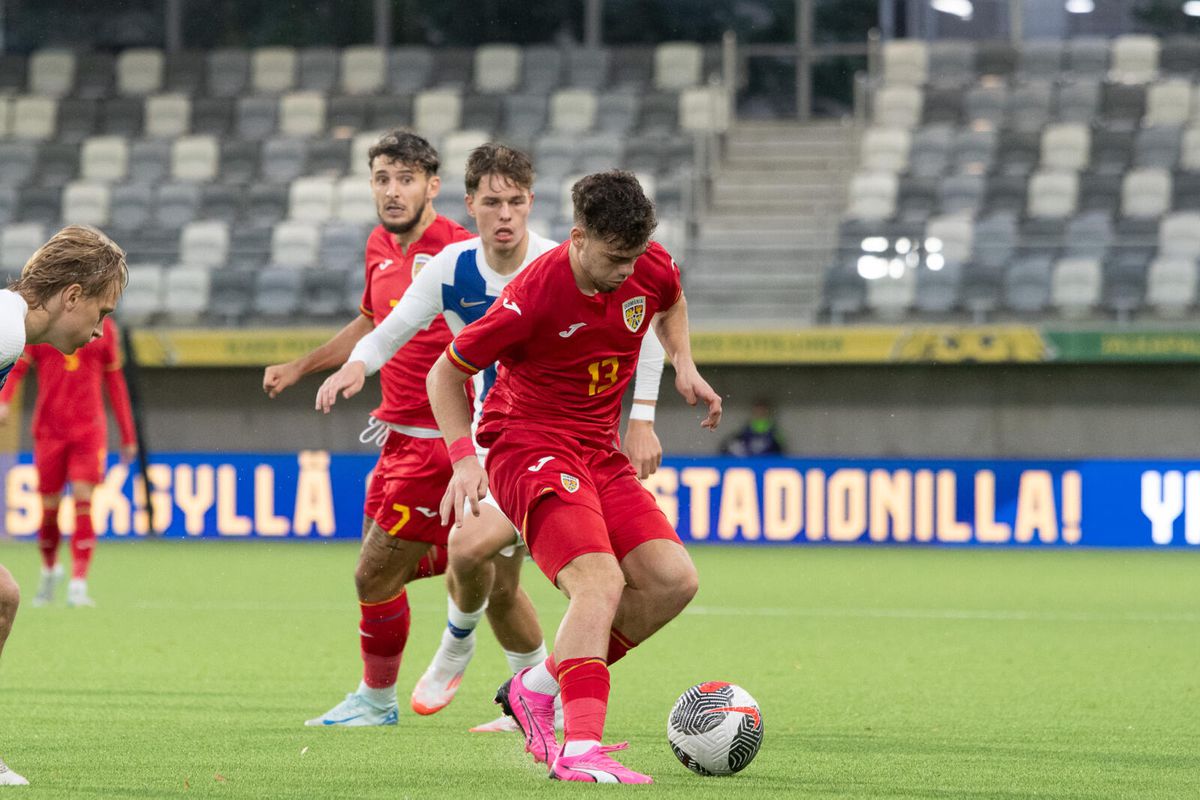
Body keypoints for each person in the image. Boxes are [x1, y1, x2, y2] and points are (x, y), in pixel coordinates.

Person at [315, 144, 667, 730]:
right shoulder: (451, 268)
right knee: (502, 586)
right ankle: (531, 693)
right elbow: (394, 329)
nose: (504, 214)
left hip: (560, 442)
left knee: (470, 549)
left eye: (515, 201)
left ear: (531, 204)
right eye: (491, 202)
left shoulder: (570, 262)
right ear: (469, 205)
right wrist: (356, 364)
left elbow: (643, 323)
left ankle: (465, 649)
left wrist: (643, 417)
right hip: (492, 435)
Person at [426, 171, 722, 783]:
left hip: (595, 448)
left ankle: (535, 686)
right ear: (579, 236)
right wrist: (462, 457)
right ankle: (580, 749)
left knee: (673, 581)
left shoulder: (646, 263)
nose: (625, 272)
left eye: (635, 257)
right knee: (600, 582)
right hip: (526, 445)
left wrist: (683, 364)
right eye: (614, 259)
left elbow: (670, 300)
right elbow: (443, 376)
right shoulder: (533, 295)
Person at [263, 129, 475, 727]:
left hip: (442, 441)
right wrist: (302, 365)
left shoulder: (461, 248)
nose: (392, 190)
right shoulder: (378, 245)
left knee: (372, 573)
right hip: (395, 435)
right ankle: (481, 559)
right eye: (382, 178)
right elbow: (370, 323)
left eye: (406, 178)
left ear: (432, 186)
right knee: (379, 567)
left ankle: (378, 700)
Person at [0, 224, 128, 787]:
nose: (101, 331)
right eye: (101, 311)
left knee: (2, 597)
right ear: (71, 295)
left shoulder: (12, 332)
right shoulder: (4, 331)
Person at [0, 316, 137, 608]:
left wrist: (128, 434)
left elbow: (115, 382)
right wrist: (5, 399)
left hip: (89, 431)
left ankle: (78, 582)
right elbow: (18, 367)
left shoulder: (106, 329)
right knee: (49, 508)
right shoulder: (46, 324)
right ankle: (50, 570)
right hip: (49, 432)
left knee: (83, 500)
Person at [720, 398, 785, 457]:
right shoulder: (746, 431)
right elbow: (729, 446)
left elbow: (780, 451)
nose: (760, 413)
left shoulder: (774, 432)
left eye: (762, 411)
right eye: (758, 411)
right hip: (750, 464)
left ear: (767, 412)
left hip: (767, 464)